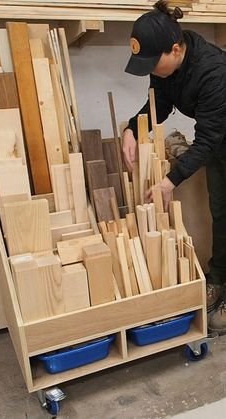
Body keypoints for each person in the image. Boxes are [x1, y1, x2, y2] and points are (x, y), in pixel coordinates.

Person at [123, 0, 226, 334]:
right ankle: (219, 278)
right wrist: (131, 128)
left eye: (154, 62)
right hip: (220, 140)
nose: (151, 70)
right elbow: (160, 106)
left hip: (218, 136)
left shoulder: (213, 70)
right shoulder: (166, 69)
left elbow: (208, 138)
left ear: (176, 49)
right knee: (220, 211)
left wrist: (170, 181)